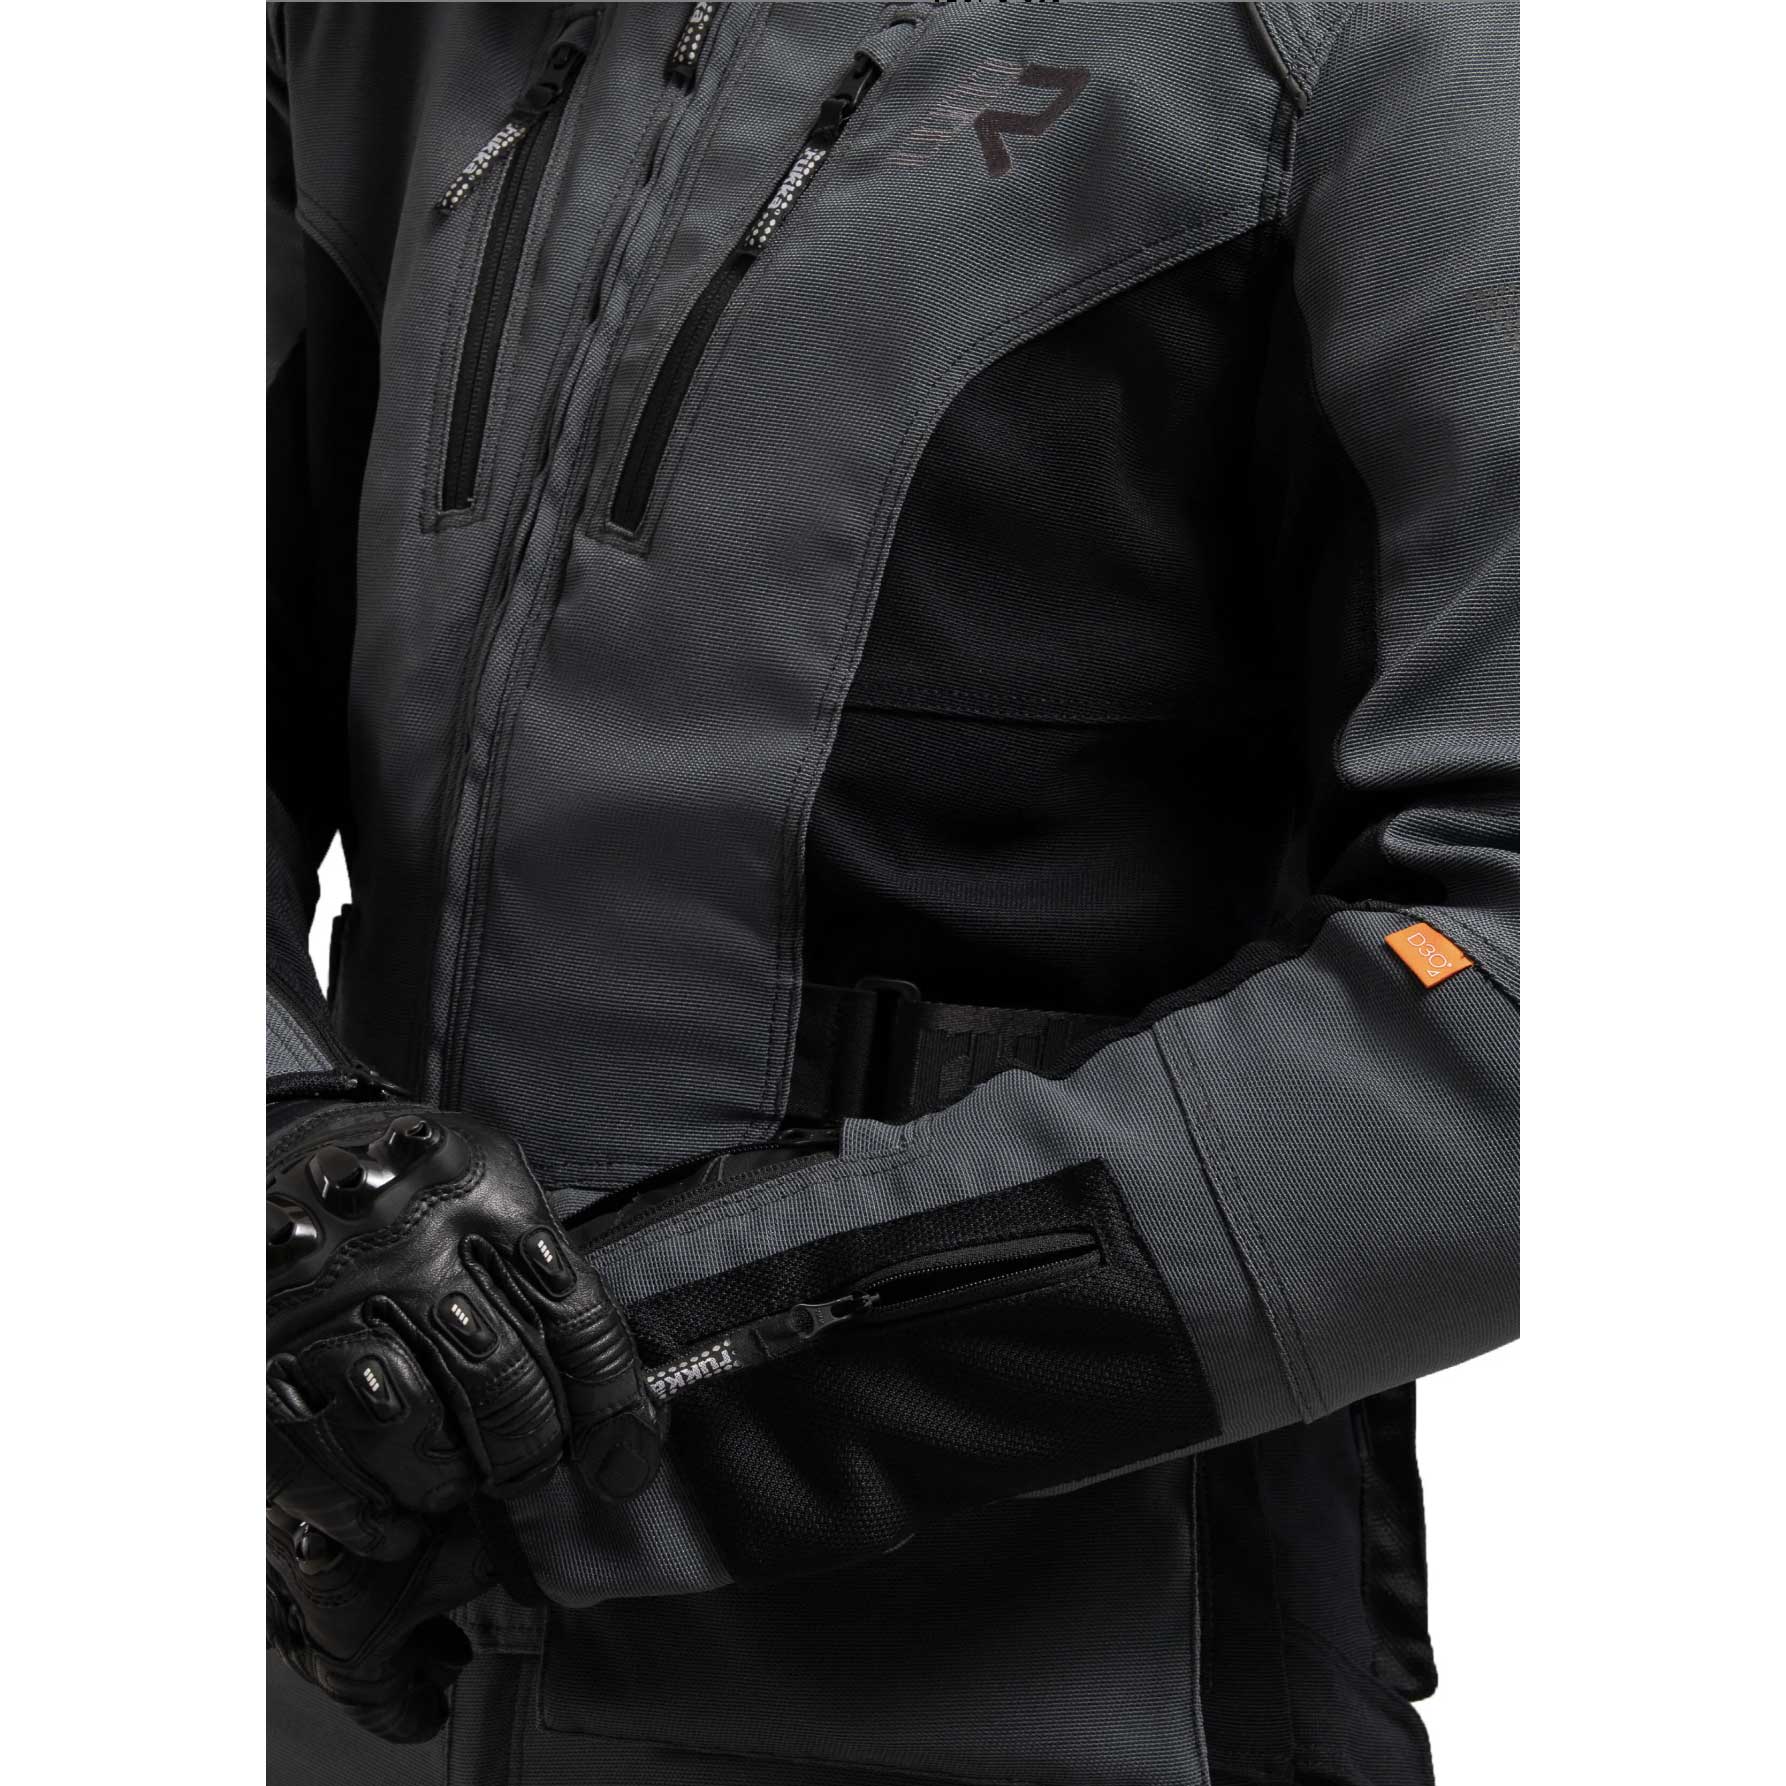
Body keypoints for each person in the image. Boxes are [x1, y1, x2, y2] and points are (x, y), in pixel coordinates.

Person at [267, 4, 1518, 1781]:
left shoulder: (1376, 48)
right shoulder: (366, 33)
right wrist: (276, 1142)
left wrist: (593, 1393)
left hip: (1052, 1693)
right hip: (350, 1677)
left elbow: (1527, 1021)